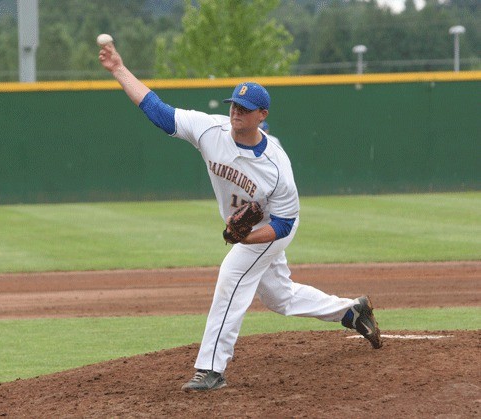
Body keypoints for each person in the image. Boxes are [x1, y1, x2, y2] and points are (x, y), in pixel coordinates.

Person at [98, 42, 382, 391]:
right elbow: (157, 110)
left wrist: (246, 238)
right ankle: (351, 311)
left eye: (245, 109)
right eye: (234, 105)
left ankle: (211, 369)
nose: (236, 113)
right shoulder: (209, 130)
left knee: (232, 275)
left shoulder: (277, 168)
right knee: (280, 298)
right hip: (251, 228)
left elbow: (284, 224)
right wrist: (118, 69)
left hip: (270, 227)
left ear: (262, 114)